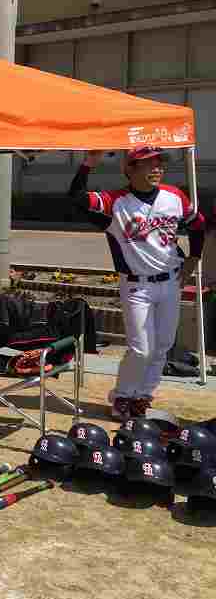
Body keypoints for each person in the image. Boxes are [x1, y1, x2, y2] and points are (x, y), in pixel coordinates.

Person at [69, 147, 205, 420]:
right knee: (141, 349)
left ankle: (142, 396)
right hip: (136, 286)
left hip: (171, 281)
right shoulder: (115, 202)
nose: (157, 168)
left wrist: (194, 257)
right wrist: (88, 164)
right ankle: (122, 396)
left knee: (162, 346)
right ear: (129, 169)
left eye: (159, 163)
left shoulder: (174, 196)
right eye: (148, 164)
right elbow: (77, 198)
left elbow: (198, 224)